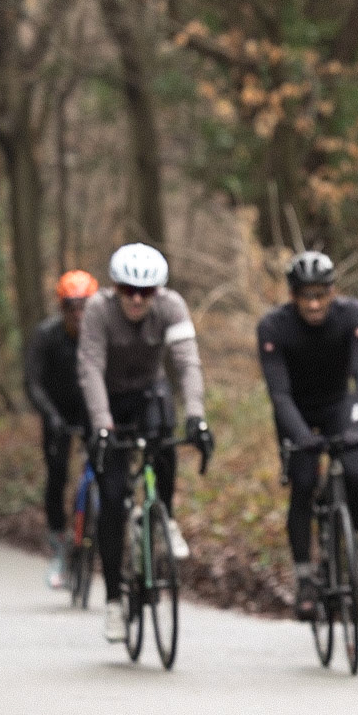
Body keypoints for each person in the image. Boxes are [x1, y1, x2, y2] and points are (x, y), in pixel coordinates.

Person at [78, 243, 213, 642]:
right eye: (129, 290)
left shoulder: (171, 307)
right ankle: (113, 602)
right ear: (115, 287)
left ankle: (164, 516)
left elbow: (187, 362)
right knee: (112, 500)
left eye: (146, 292)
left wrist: (197, 415)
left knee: (166, 442)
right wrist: (102, 425)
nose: (137, 299)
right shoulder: (98, 310)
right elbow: (90, 368)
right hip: (108, 400)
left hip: (149, 393)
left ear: (158, 291)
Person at [256, 251, 358, 620]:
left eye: (321, 295)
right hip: (296, 410)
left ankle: (349, 547)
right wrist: (301, 436)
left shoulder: (352, 316)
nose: (314, 304)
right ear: (292, 296)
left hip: (338, 405)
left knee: (352, 474)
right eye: (305, 296)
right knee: (304, 482)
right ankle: (305, 577)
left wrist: (356, 426)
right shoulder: (274, 327)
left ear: (332, 292)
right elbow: (279, 394)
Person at [25, 271, 97, 588]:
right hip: (57, 415)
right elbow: (32, 383)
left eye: (84, 306)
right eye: (71, 307)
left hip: (92, 412)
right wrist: (51, 416)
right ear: (62, 307)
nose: (78, 314)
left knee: (108, 472)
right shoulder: (46, 336)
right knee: (57, 476)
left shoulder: (100, 335)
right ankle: (58, 544)